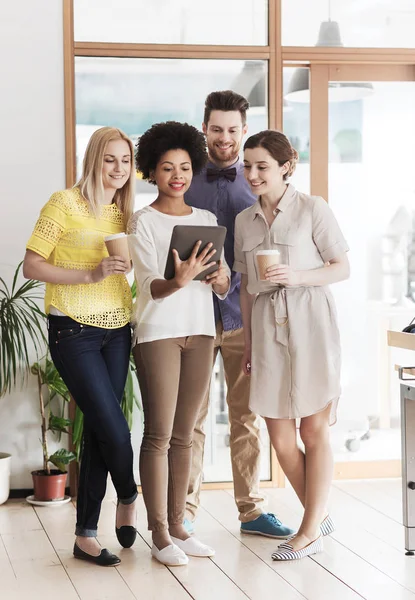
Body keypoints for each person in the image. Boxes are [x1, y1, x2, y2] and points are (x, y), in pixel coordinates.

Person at [23, 127, 138, 567]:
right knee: (114, 429)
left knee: (98, 430)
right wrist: (88, 276)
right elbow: (33, 263)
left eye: (125, 161)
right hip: (72, 328)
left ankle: (85, 535)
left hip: (117, 327)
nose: (118, 168)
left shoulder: (123, 212)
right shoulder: (63, 203)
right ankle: (129, 494)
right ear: (93, 159)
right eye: (110, 159)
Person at [234, 129, 350, 561]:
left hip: (311, 322)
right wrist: (247, 345)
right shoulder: (244, 221)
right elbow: (246, 288)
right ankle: (317, 518)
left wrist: (296, 276)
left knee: (313, 429)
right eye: (248, 166)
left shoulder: (312, 209)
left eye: (261, 166)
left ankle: (308, 532)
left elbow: (341, 267)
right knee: (280, 438)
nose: (252, 174)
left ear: (287, 165)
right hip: (266, 329)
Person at [184, 90, 294, 539]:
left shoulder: (259, 180)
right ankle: (183, 512)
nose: (224, 138)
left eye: (232, 130)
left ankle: (250, 511)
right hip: (191, 314)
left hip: (244, 317)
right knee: (189, 418)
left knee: (246, 416)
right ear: (204, 127)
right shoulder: (186, 178)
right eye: (216, 128)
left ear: (243, 130)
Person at [128, 121, 230, 567]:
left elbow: (220, 281)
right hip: (158, 334)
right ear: (152, 170)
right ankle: (159, 533)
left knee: (186, 436)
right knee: (159, 435)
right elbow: (149, 284)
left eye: (185, 167)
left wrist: (222, 279)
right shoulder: (143, 220)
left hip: (201, 332)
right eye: (167, 167)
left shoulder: (206, 220)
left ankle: (180, 525)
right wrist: (178, 279)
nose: (177, 175)